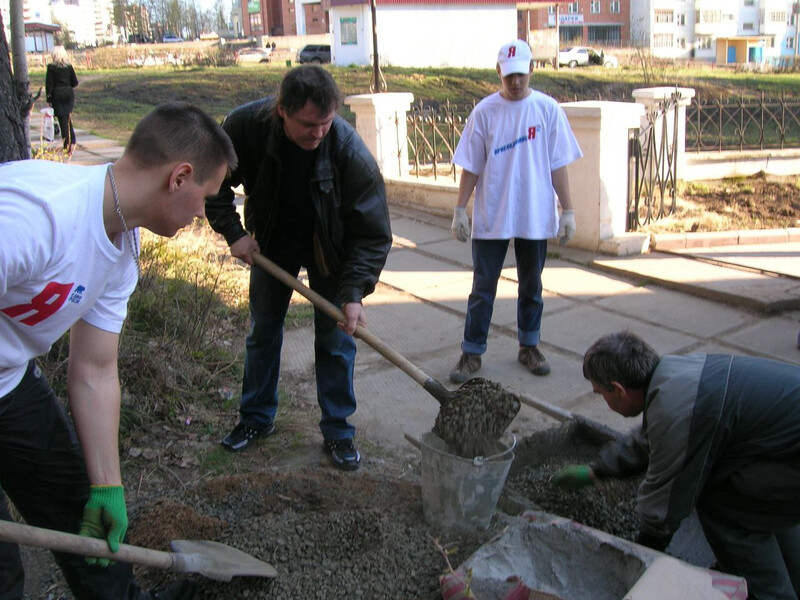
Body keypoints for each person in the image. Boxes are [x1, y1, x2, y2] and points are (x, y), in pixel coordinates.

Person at [0, 102, 237, 600]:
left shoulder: (123, 250)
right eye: (206, 198)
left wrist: (108, 485)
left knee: (83, 515)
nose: (202, 214)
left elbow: (94, 370)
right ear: (179, 177)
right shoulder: (35, 219)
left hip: (9, 380)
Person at [206, 65, 392, 471]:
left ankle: (338, 430)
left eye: (326, 122)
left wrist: (353, 293)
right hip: (272, 244)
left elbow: (373, 233)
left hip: (330, 248)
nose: (318, 133)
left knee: (336, 338)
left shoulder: (347, 149)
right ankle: (256, 418)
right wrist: (234, 233)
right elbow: (211, 182)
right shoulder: (246, 127)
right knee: (263, 330)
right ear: (282, 111)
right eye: (308, 124)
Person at [551, 331, 800, 600]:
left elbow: (666, 501)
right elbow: (651, 439)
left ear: (619, 390)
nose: (604, 402)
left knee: (722, 502)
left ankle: (766, 592)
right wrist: (598, 470)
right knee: (758, 500)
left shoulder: (678, 410)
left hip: (790, 459)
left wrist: (641, 556)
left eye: (601, 394)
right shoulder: (676, 376)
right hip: (782, 451)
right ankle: (790, 576)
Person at [448, 39, 582, 384]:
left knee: (531, 285)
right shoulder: (484, 112)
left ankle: (529, 346)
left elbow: (558, 165)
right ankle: (472, 351)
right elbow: (471, 165)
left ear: (532, 69)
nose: (516, 81)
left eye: (521, 74)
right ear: (498, 72)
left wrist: (568, 209)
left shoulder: (547, 110)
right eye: (509, 76)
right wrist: (460, 208)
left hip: (533, 213)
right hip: (493, 213)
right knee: (483, 286)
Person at [45, 46, 79, 155]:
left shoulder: (51, 67)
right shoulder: (69, 67)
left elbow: (49, 84)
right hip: (68, 94)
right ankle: (73, 140)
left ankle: (67, 145)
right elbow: (75, 82)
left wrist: (48, 98)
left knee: (62, 120)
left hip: (57, 94)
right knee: (68, 117)